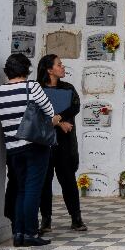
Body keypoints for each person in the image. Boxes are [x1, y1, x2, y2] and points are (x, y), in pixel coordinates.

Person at [0, 52, 61, 247]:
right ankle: (30, 232)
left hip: (12, 149)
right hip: (34, 146)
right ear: (27, 69)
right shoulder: (31, 87)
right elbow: (49, 112)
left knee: (20, 190)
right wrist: (55, 120)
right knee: (32, 191)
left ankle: (19, 233)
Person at [36, 55, 86, 234]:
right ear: (49, 70)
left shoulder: (68, 87)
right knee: (44, 182)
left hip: (65, 142)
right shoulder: (38, 89)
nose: (63, 67)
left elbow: (75, 107)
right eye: (59, 65)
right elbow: (35, 112)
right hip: (44, 141)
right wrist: (58, 122)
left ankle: (76, 218)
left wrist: (60, 118)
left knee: (68, 181)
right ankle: (46, 220)